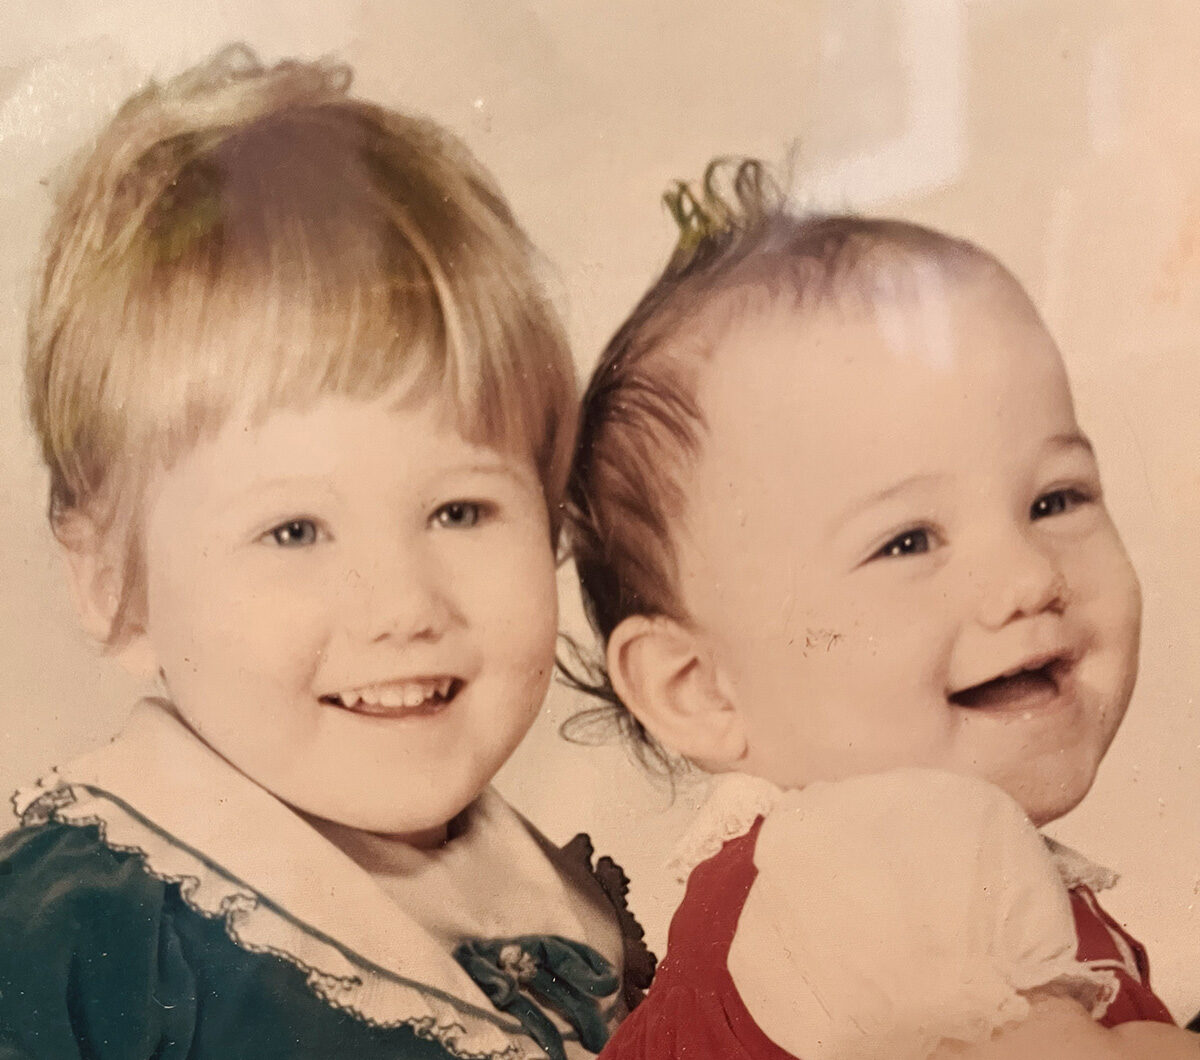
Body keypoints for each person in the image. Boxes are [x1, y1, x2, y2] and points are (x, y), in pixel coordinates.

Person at [0, 45, 650, 1059]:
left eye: (460, 511)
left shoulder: (575, 927)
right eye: (293, 530)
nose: (401, 604)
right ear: (109, 585)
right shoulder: (75, 941)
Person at [565, 159, 1199, 1059]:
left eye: (1055, 499)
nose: (1027, 577)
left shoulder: (816, 878)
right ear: (700, 688)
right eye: (908, 541)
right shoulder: (878, 870)